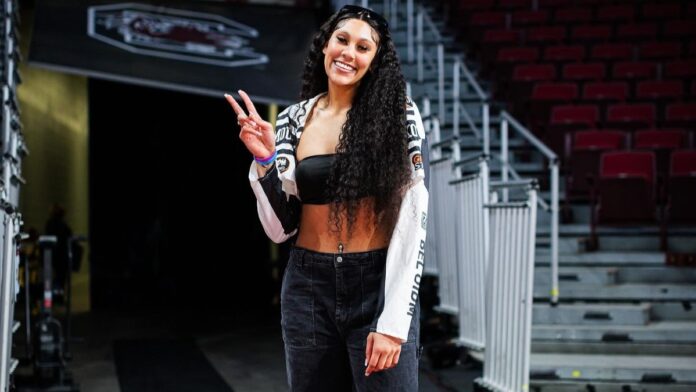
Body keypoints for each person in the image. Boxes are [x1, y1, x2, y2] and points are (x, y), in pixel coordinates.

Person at [226, 5, 429, 390]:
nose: (349, 53)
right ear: (325, 46)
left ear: (375, 61)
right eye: (342, 40)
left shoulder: (400, 114)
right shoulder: (291, 120)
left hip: (376, 286)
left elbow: (415, 212)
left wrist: (393, 323)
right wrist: (265, 160)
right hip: (308, 286)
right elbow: (280, 228)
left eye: (363, 47)